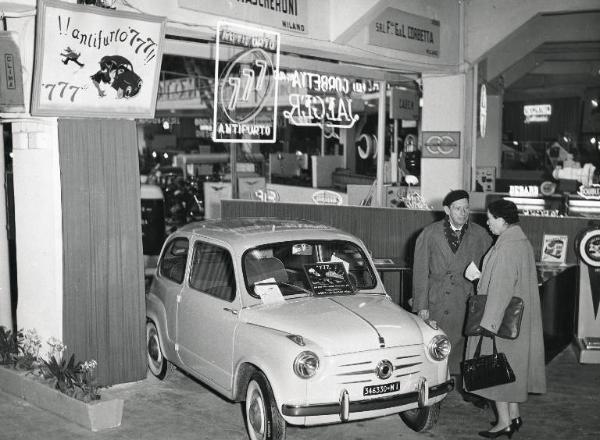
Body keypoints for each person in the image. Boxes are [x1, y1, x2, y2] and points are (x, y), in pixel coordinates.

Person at [465, 200, 546, 438]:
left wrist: (487, 325)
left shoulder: (506, 248)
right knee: (512, 370)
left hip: (500, 322)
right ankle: (515, 416)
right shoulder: (519, 242)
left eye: (490, 218)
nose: (487, 222)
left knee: (497, 372)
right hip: (518, 322)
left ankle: (504, 423)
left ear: (502, 219)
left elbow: (500, 290)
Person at [412, 190, 492, 379]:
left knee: (463, 350)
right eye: (458, 208)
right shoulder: (429, 234)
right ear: (447, 210)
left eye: (466, 208)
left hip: (466, 301)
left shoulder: (480, 235)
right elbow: (420, 272)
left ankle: (466, 386)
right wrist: (421, 306)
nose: (463, 213)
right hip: (437, 300)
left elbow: (490, 269)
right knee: (435, 350)